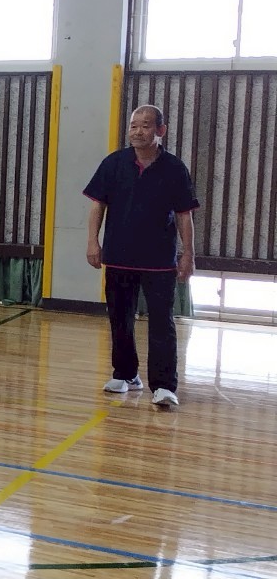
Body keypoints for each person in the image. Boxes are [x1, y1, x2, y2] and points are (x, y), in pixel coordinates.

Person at [85, 105, 198, 408]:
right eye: (134, 125)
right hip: (118, 255)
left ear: (160, 131)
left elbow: (184, 215)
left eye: (145, 126)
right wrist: (93, 242)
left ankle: (163, 385)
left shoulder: (174, 168)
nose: (137, 131)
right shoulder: (113, 163)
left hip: (159, 259)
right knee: (119, 318)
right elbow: (97, 206)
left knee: (162, 322)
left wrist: (188, 254)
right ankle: (125, 374)